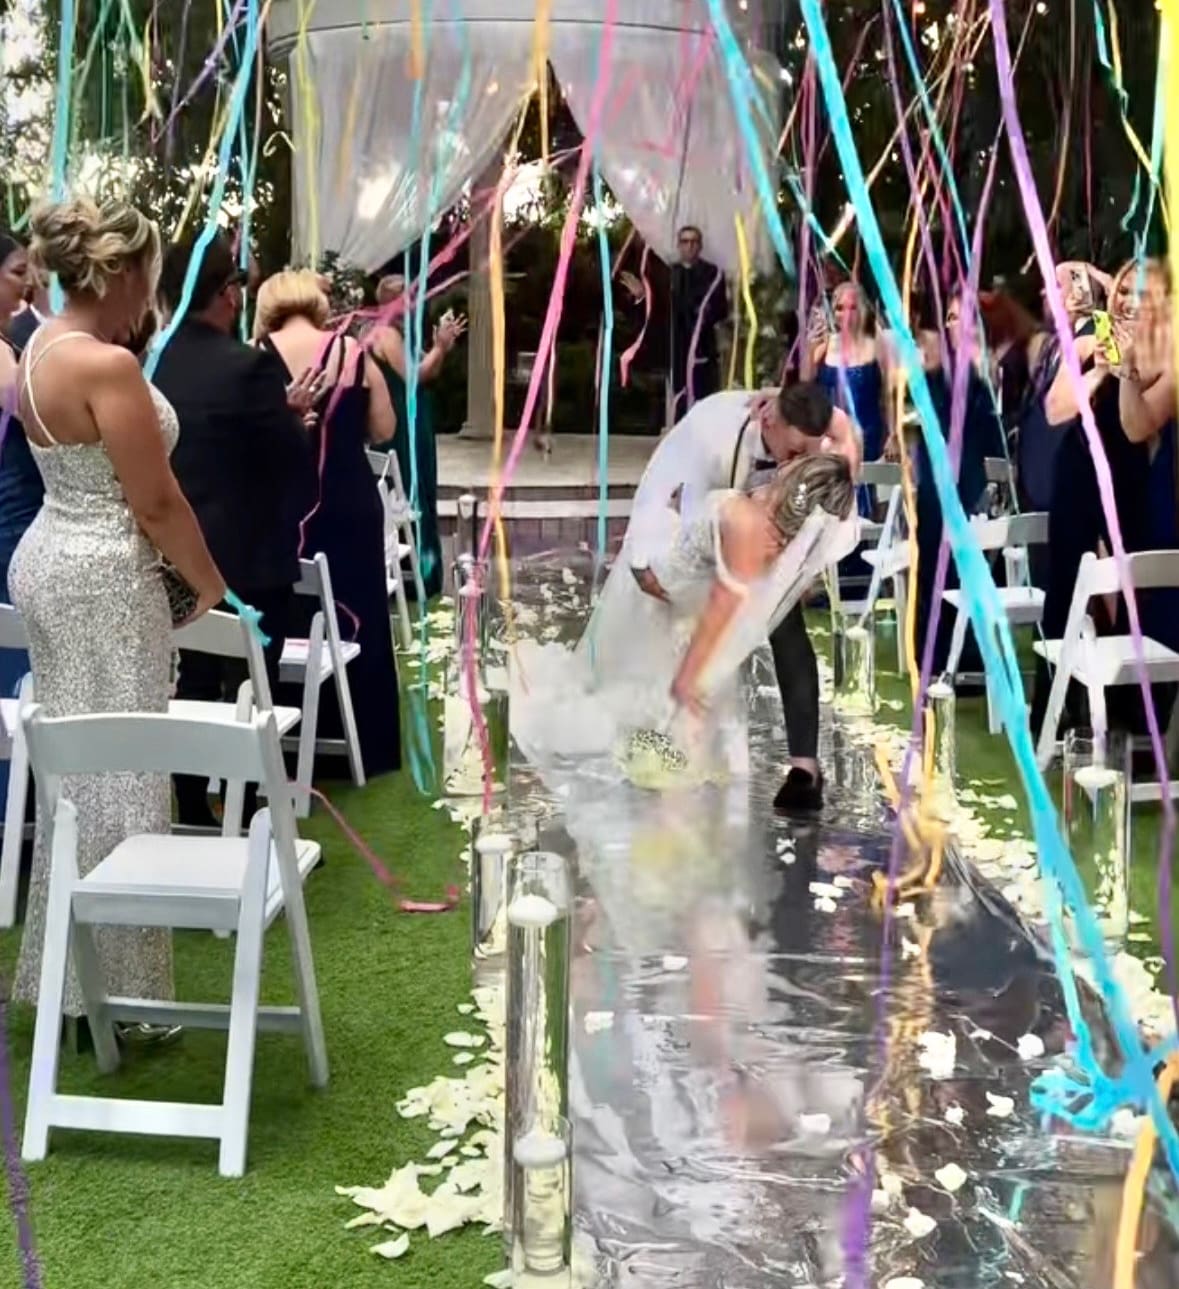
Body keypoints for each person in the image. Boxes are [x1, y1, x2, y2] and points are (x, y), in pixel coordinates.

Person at [9, 196, 224, 1023]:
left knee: (76, 774)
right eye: (149, 276)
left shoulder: (37, 347)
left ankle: (75, 982)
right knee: (128, 771)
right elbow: (156, 501)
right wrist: (209, 584)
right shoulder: (106, 365)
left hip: (49, 560)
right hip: (103, 577)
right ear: (124, 271)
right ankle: (124, 995)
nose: (150, 296)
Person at [511, 447, 858, 789]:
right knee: (655, 710)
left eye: (801, 462)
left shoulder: (748, 522)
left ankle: (660, 757)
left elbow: (721, 602)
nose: (792, 459)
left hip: (666, 589)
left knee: (653, 706)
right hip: (676, 577)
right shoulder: (785, 533)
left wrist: (687, 677)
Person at [597, 381, 859, 808]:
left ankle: (802, 769)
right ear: (768, 421)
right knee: (681, 648)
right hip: (693, 546)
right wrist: (644, 554)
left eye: (806, 455)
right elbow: (668, 494)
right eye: (794, 453)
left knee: (777, 631)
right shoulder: (714, 434)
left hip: (739, 545)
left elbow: (840, 445)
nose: (798, 462)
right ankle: (672, 747)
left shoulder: (806, 432)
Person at [154, 234, 317, 826]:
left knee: (191, 683)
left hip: (174, 557)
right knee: (257, 688)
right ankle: (250, 813)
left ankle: (193, 805)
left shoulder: (149, 363)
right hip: (250, 557)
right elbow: (292, 467)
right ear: (227, 293)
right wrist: (293, 423)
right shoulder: (249, 368)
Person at [254, 269, 402, 778]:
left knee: (289, 612)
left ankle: (291, 739)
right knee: (360, 612)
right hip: (350, 502)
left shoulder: (255, 357)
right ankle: (367, 743)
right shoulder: (352, 352)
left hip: (284, 504)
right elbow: (385, 428)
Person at [367, 273, 466, 600]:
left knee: (421, 486)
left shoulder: (400, 334)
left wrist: (442, 347)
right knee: (407, 490)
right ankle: (414, 576)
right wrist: (439, 347)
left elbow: (430, 370)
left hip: (415, 421)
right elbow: (414, 376)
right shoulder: (385, 334)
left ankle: (423, 572)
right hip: (400, 425)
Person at [622, 224, 729, 414]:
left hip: (702, 351)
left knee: (704, 406)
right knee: (679, 405)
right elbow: (658, 312)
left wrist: (700, 312)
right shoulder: (668, 273)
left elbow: (720, 310)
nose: (690, 246)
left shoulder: (713, 273)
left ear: (700, 246)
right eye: (685, 242)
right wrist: (642, 297)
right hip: (675, 351)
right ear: (679, 245)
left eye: (694, 242)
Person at [807, 281, 891, 470]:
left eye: (853, 308)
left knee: (868, 484)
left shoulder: (877, 345)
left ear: (862, 310)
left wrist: (893, 435)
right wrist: (810, 346)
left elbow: (888, 395)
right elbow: (805, 381)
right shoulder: (825, 344)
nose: (846, 315)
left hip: (868, 438)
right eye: (840, 308)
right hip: (830, 440)